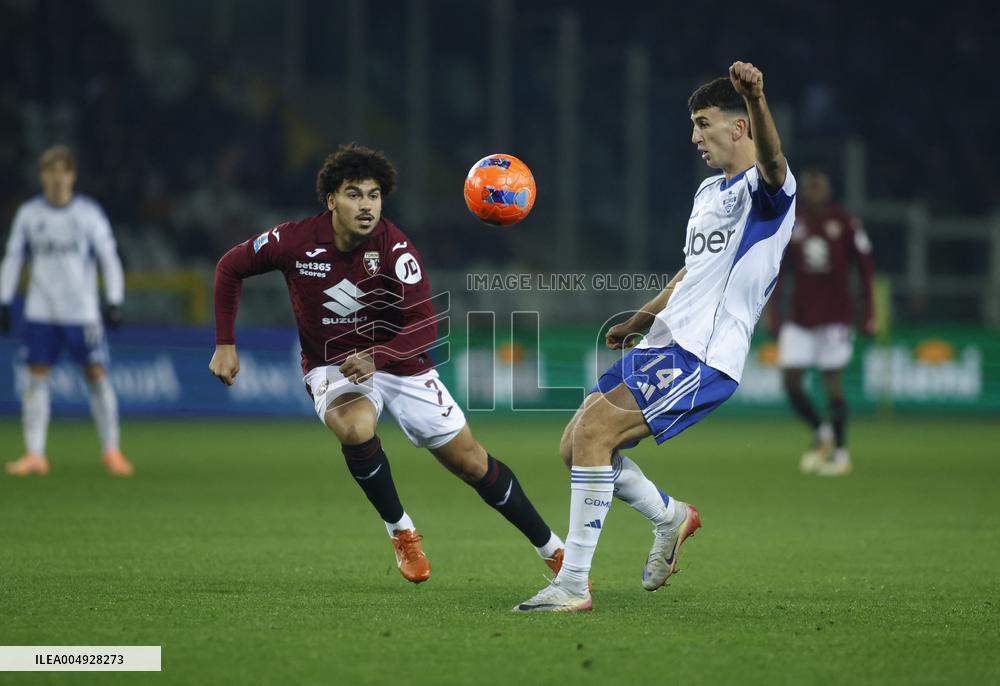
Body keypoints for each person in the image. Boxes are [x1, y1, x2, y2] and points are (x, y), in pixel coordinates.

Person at [210, 144, 565, 584]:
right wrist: (225, 342)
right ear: (331, 201)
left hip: (398, 361)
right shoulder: (294, 242)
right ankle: (401, 531)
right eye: (354, 194)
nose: (366, 206)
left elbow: (426, 326)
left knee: (472, 463)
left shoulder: (395, 249)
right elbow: (230, 266)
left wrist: (378, 357)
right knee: (357, 428)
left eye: (374, 196)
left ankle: (552, 549)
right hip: (333, 364)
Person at [515, 61, 795, 612]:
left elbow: (776, 158)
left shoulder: (770, 193)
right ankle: (671, 516)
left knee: (596, 434)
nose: (694, 136)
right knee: (575, 448)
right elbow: (692, 270)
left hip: (704, 352)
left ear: (738, 128)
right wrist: (642, 317)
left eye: (703, 122)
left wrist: (758, 99)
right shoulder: (709, 192)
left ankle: (573, 583)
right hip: (665, 339)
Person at [0, 145, 132, 477]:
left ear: (72, 175)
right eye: (50, 171)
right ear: (42, 176)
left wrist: (114, 299)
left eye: (63, 171)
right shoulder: (30, 214)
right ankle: (35, 455)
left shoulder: (88, 214)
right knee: (36, 379)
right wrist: (4, 299)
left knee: (97, 376)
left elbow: (109, 256)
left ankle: (112, 451)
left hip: (81, 312)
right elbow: (13, 257)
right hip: (41, 311)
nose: (57, 178)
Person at [766, 169, 875, 476]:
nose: (814, 192)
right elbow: (778, 273)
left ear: (828, 191)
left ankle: (841, 455)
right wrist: (773, 312)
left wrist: (869, 314)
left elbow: (865, 271)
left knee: (833, 386)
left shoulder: (846, 223)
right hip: (799, 317)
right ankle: (823, 433)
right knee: (790, 383)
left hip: (835, 318)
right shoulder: (793, 224)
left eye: (819, 187)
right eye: (809, 187)